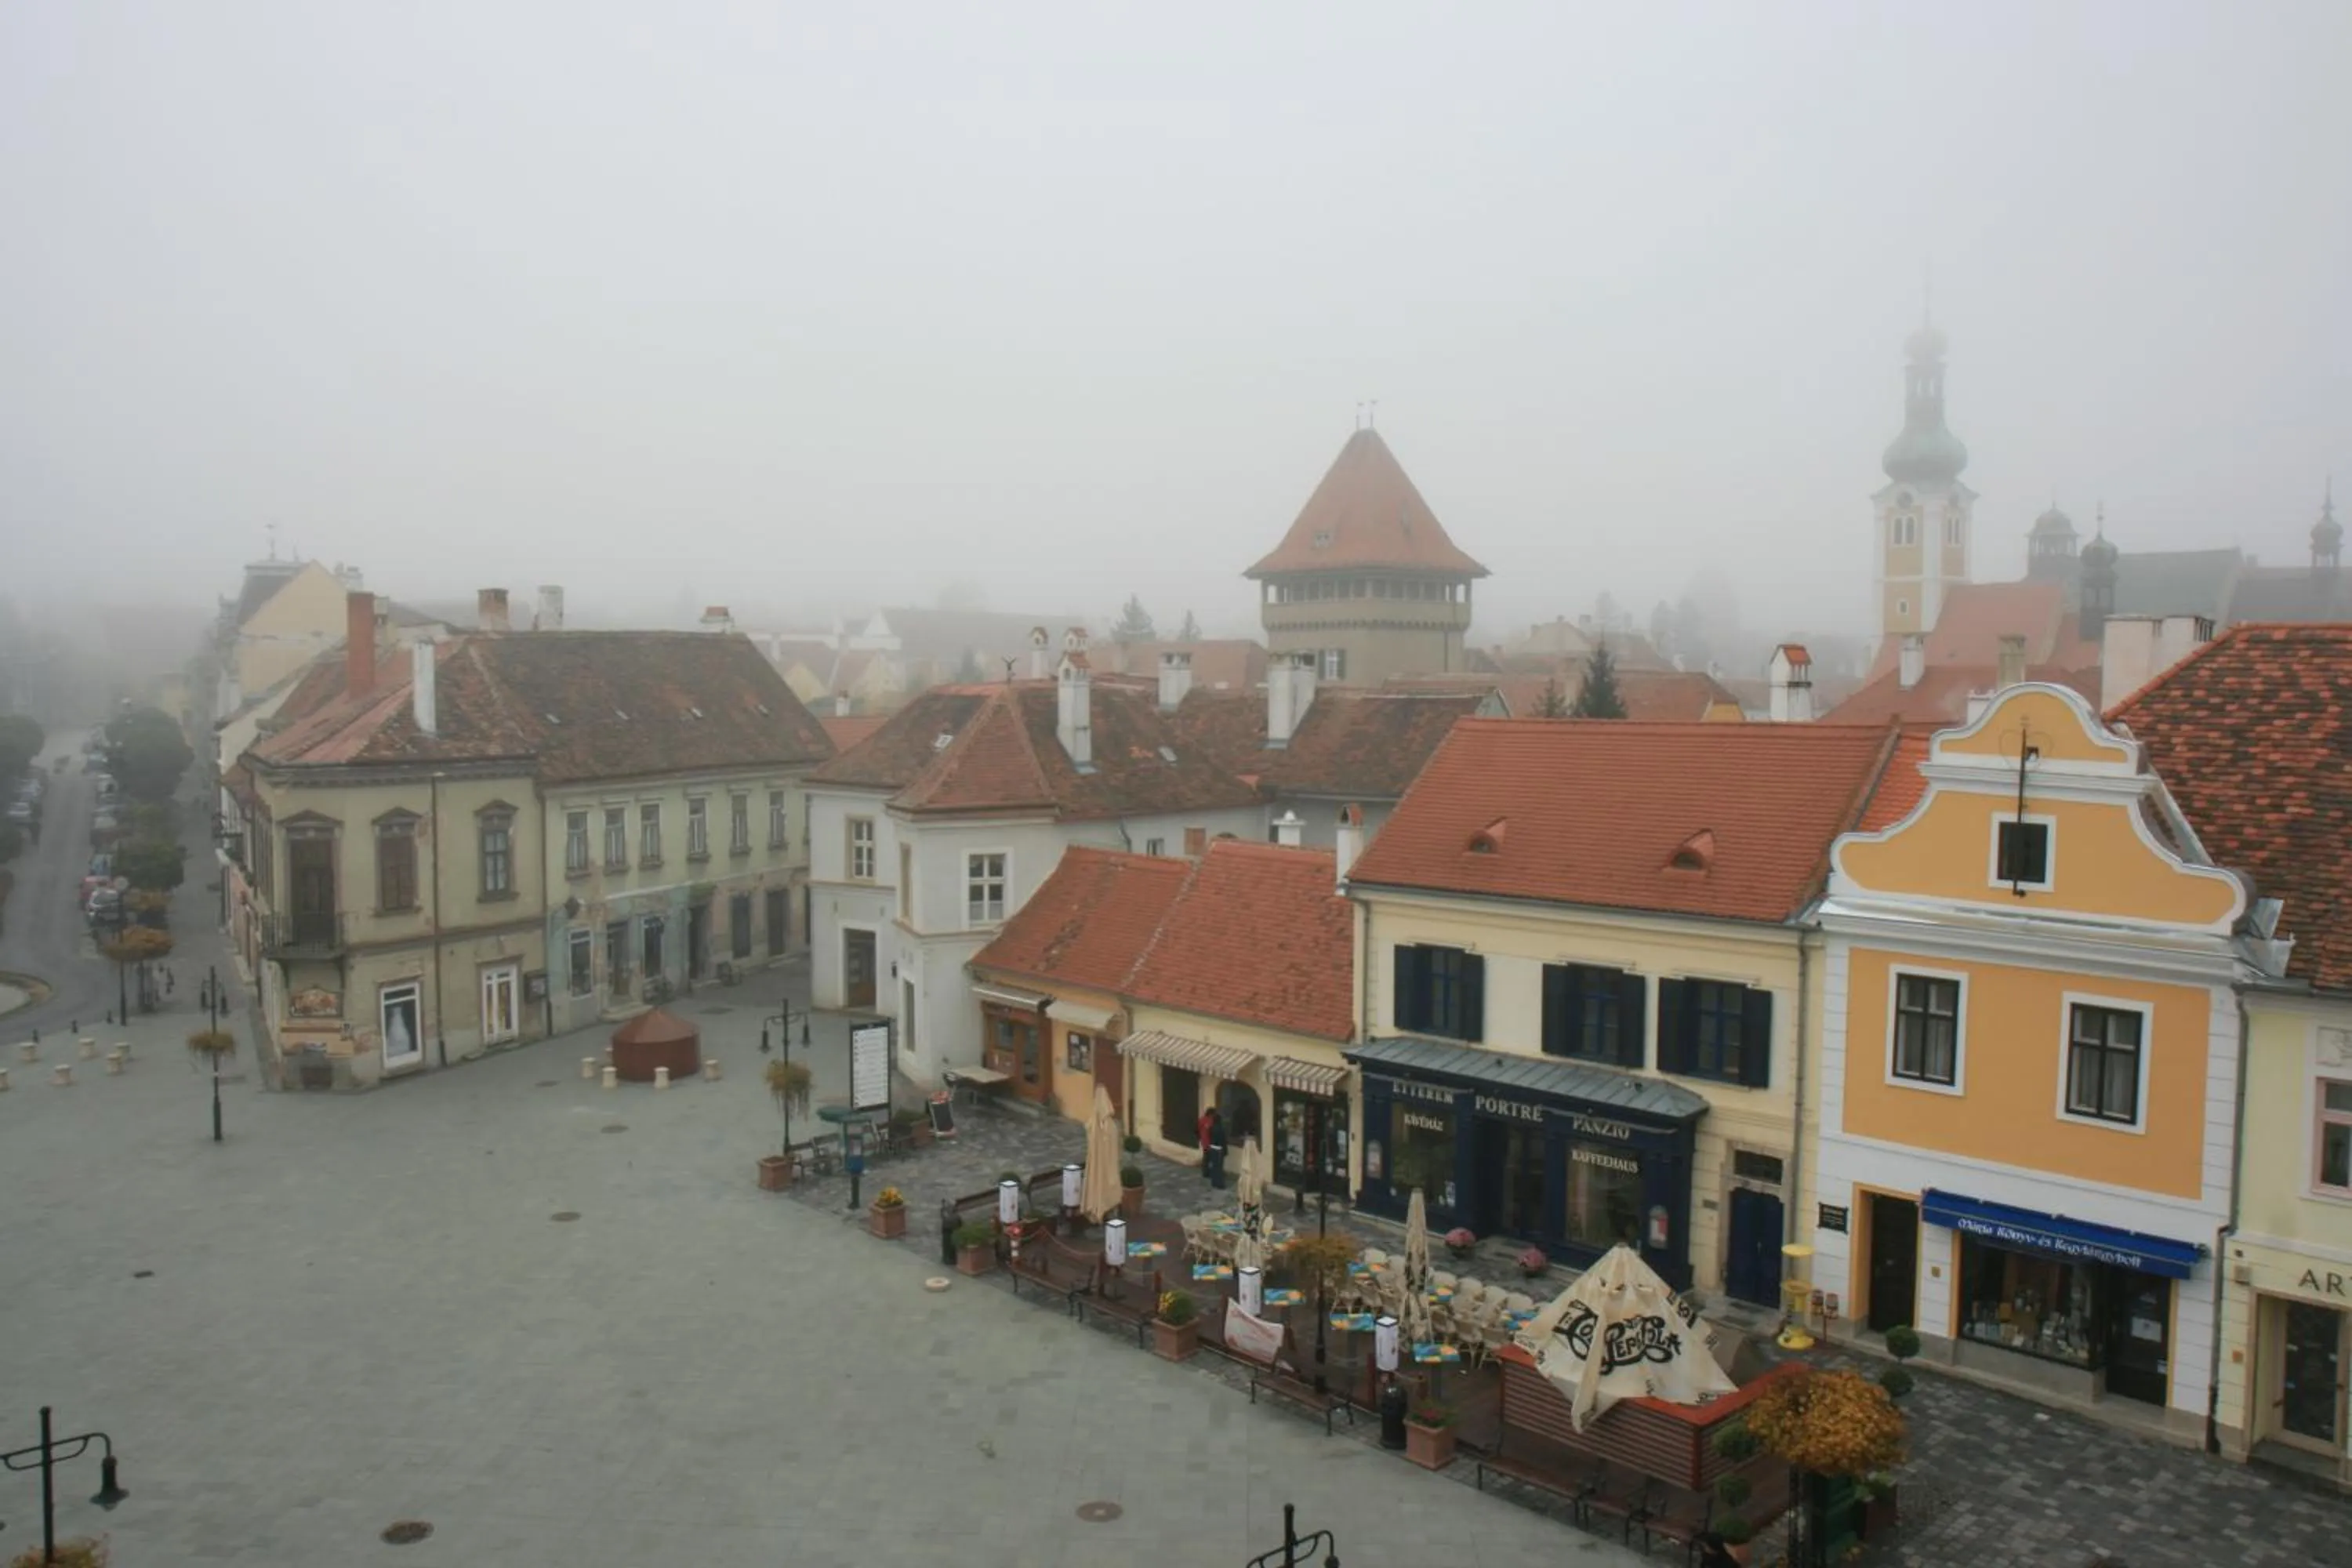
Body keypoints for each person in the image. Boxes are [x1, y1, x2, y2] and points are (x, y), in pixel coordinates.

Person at [1201, 1105, 1229, 1189]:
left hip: (1212, 1147)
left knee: (1214, 1165)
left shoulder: (1211, 1127)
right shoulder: (1221, 1129)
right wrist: (1225, 1150)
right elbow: (1223, 1141)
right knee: (1219, 1167)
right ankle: (1219, 1183)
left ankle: (1214, 1182)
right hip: (1219, 1149)